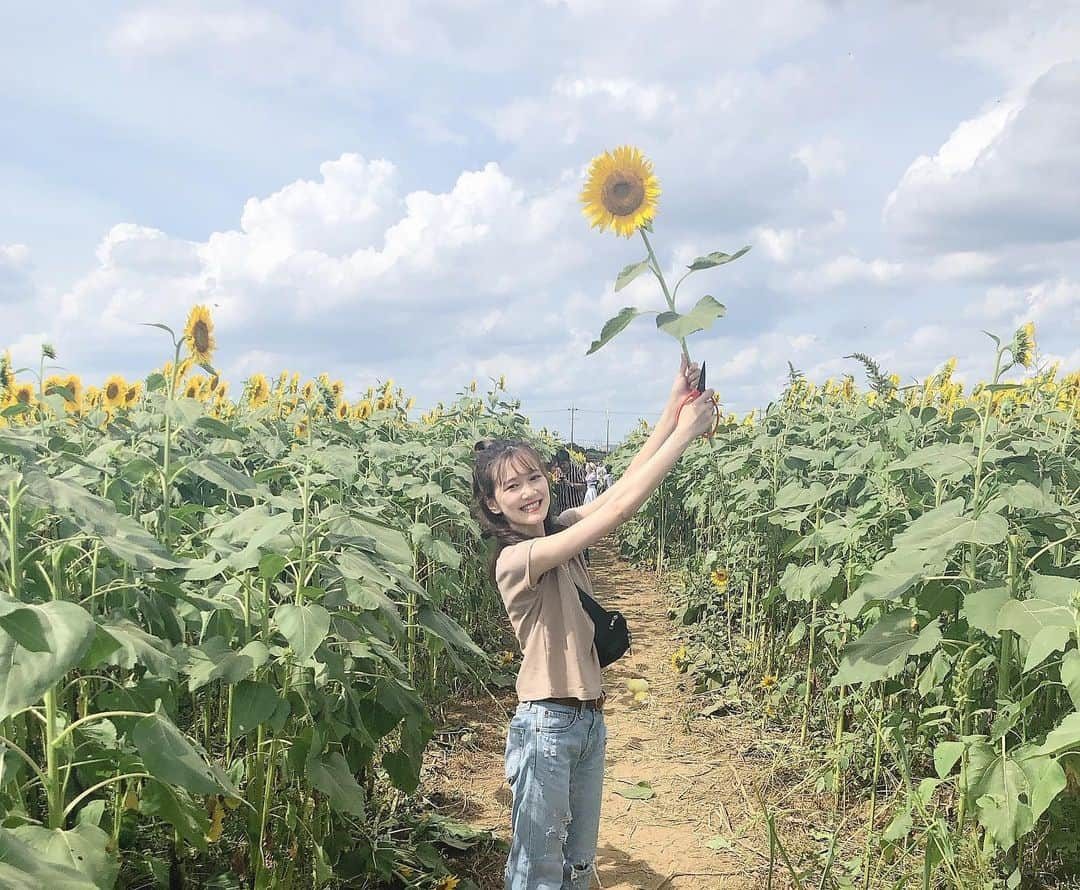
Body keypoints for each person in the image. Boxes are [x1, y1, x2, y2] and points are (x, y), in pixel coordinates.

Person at [471, 356, 714, 890]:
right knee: (536, 871)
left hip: (588, 723)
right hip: (546, 727)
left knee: (579, 866)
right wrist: (686, 437)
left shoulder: (558, 529)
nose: (529, 491)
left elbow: (622, 486)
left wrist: (673, 409)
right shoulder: (520, 559)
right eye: (512, 487)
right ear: (492, 503)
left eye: (535, 477)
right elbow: (619, 511)